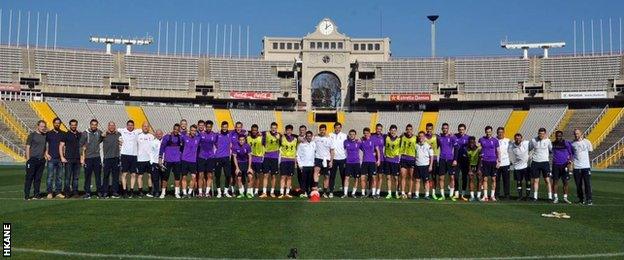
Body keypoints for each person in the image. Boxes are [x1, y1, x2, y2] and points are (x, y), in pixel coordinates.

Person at [24, 120, 48, 200]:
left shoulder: (45, 136)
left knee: (38, 178)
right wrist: (28, 159)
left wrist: (45, 155)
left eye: (44, 126)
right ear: (37, 126)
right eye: (41, 126)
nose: (43, 128)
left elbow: (44, 147)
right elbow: (27, 147)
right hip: (32, 159)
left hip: (41, 160)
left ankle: (36, 194)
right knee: (29, 177)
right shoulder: (32, 135)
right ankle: (27, 195)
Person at [79, 119, 103, 199]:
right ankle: (87, 192)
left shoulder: (99, 132)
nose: (94, 126)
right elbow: (81, 146)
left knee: (98, 176)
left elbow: (101, 139)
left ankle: (99, 192)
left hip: (97, 157)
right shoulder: (85, 133)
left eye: (95, 124)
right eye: (92, 124)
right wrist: (82, 157)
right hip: (88, 158)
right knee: (87, 176)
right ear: (90, 125)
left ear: (97, 125)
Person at [158, 124, 183, 199]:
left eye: (178, 130)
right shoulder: (167, 137)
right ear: (173, 129)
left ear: (179, 130)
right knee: (165, 177)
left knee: (177, 177)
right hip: (167, 160)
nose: (176, 131)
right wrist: (160, 158)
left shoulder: (180, 137)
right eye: (175, 129)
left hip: (177, 160)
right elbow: (162, 147)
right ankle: (163, 192)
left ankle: (176, 193)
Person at [529, 127, 553, 201]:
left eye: (542, 134)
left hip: (545, 162)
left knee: (547, 180)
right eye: (540, 133)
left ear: (545, 134)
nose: (541, 135)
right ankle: (535, 197)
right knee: (536, 180)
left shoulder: (548, 141)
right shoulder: (533, 140)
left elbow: (551, 150)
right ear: (538, 133)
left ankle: (550, 197)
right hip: (535, 162)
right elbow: (529, 148)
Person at [59, 119, 81, 198]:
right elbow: (61, 146)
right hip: (68, 159)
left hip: (77, 159)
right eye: (72, 125)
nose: (73, 126)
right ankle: (67, 192)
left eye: (75, 125)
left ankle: (75, 192)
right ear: (70, 125)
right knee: (67, 177)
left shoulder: (79, 134)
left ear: (76, 125)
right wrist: (62, 157)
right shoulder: (66, 134)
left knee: (76, 178)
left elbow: (82, 146)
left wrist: (82, 157)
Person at [118, 120, 141, 197]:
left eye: (132, 125)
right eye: (129, 125)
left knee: (133, 174)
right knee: (124, 174)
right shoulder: (122, 130)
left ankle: (131, 191)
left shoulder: (137, 131)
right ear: (126, 125)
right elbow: (112, 129)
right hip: (124, 155)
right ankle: (124, 191)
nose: (130, 126)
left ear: (133, 126)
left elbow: (146, 129)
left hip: (134, 156)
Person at [571, 129, 593, 205]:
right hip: (576, 167)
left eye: (577, 133)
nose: (576, 135)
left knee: (587, 184)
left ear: (581, 133)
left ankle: (589, 199)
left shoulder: (587, 142)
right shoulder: (573, 144)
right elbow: (572, 154)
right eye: (575, 134)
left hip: (586, 166)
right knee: (578, 184)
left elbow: (590, 150)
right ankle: (581, 199)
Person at [312, 124, 335, 198]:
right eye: (321, 130)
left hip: (326, 159)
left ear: (325, 130)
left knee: (326, 176)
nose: (322, 131)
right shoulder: (315, 138)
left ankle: (324, 192)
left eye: (323, 130)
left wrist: (331, 161)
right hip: (318, 158)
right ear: (319, 130)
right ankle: (315, 188)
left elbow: (332, 151)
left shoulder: (329, 139)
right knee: (316, 171)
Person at [478, 126, 500, 202]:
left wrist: (499, 161)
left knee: (493, 179)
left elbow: (498, 151)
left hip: (493, 161)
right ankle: (485, 196)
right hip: (485, 161)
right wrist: (480, 155)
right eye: (487, 131)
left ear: (491, 132)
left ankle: (492, 196)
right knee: (485, 179)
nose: (488, 133)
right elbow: (479, 149)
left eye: (489, 131)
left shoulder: (495, 140)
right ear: (485, 131)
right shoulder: (481, 139)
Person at [45, 117, 65, 199]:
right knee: (50, 176)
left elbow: (65, 145)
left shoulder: (63, 133)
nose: (57, 124)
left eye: (58, 123)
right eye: (56, 123)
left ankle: (58, 192)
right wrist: (46, 154)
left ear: (60, 124)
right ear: (53, 123)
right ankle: (49, 192)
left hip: (60, 158)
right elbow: (44, 144)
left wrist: (63, 156)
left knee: (59, 177)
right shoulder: (49, 133)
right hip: (51, 158)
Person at [178, 124, 200, 198]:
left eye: (194, 131)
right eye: (192, 130)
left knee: (193, 177)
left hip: (193, 161)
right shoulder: (185, 137)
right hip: (184, 160)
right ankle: (184, 193)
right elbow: (179, 134)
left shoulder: (198, 138)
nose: (193, 132)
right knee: (184, 177)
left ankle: (189, 193)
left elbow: (202, 134)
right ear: (189, 130)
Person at [551, 130, 573, 204]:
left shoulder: (566, 143)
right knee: (555, 182)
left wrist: (569, 162)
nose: (558, 137)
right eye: (557, 136)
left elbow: (570, 153)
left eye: (559, 136)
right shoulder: (553, 143)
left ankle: (565, 198)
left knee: (565, 182)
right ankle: (556, 198)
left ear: (562, 136)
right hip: (556, 165)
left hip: (564, 165)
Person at [260, 122, 281, 198]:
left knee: (273, 176)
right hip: (266, 156)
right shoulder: (266, 133)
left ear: (277, 128)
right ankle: (264, 192)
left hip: (275, 157)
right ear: (270, 128)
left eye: (275, 128)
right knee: (265, 175)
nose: (273, 129)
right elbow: (257, 133)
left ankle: (272, 192)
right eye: (272, 128)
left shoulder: (279, 135)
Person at [436, 123, 457, 201]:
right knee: (441, 178)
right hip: (442, 159)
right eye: (443, 128)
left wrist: (455, 159)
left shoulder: (452, 137)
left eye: (446, 128)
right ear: (442, 129)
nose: (445, 129)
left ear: (448, 129)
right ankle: (442, 195)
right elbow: (436, 146)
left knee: (452, 177)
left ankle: (451, 195)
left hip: (450, 159)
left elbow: (456, 148)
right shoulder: (439, 138)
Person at [101, 122, 122, 198]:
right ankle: (105, 191)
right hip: (107, 158)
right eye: (110, 125)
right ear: (108, 126)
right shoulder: (104, 135)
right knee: (106, 176)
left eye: (113, 125)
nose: (112, 127)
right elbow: (98, 139)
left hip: (116, 158)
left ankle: (115, 192)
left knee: (115, 176)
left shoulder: (118, 134)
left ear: (115, 126)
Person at [198, 120, 217, 197]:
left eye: (210, 127)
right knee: (201, 175)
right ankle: (200, 192)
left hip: (210, 157)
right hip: (202, 157)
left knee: (209, 175)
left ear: (212, 127)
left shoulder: (215, 135)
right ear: (205, 126)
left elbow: (218, 145)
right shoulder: (201, 135)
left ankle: (207, 192)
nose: (208, 128)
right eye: (207, 127)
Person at [360, 127, 381, 198]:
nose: (366, 134)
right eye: (365, 133)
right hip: (364, 162)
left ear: (369, 133)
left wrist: (378, 160)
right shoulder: (362, 141)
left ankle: (373, 194)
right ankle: (363, 194)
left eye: (367, 133)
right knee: (362, 177)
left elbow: (378, 150)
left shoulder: (373, 140)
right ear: (363, 134)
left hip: (372, 162)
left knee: (373, 178)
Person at [214, 121, 233, 198]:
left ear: (227, 127)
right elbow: (214, 143)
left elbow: (243, 131)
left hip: (226, 157)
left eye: (226, 127)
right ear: (221, 127)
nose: (224, 128)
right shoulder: (217, 134)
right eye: (223, 126)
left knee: (228, 175)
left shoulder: (230, 134)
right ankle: (219, 192)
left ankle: (225, 192)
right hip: (218, 157)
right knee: (218, 175)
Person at [509, 133, 531, 200]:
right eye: (516, 138)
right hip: (517, 167)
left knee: (528, 181)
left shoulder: (526, 143)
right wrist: (513, 162)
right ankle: (520, 196)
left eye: (519, 138)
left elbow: (534, 145)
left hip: (526, 166)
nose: (517, 139)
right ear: (514, 139)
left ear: (521, 138)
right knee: (519, 182)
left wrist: (531, 156)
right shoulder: (512, 146)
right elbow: (509, 154)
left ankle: (527, 196)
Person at [328, 122, 347, 198]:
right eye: (336, 127)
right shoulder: (330, 135)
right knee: (332, 176)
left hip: (343, 158)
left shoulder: (345, 135)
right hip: (333, 159)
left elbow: (353, 139)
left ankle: (344, 191)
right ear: (334, 128)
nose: (337, 129)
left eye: (339, 127)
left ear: (341, 128)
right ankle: (331, 191)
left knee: (343, 176)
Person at [136, 122, 155, 197]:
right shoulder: (138, 136)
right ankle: (140, 191)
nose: (146, 127)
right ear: (142, 127)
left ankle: (150, 191)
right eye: (144, 126)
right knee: (140, 176)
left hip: (150, 159)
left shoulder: (152, 136)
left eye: (147, 126)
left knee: (150, 175)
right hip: (140, 159)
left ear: (149, 128)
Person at [279, 125, 297, 199]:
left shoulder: (295, 139)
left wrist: (295, 161)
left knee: (289, 177)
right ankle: (281, 193)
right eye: (287, 130)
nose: (289, 131)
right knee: (283, 177)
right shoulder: (282, 138)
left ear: (292, 131)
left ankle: (287, 193)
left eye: (290, 130)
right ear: (285, 131)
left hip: (291, 160)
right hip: (284, 159)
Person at [232, 134, 253, 199]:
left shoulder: (248, 146)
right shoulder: (235, 147)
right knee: (239, 178)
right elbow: (234, 158)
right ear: (238, 140)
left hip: (246, 163)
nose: (241, 141)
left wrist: (249, 167)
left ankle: (249, 192)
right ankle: (241, 193)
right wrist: (237, 168)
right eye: (240, 140)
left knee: (250, 176)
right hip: (239, 164)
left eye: (243, 140)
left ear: (245, 140)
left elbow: (250, 156)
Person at [454, 124, 471, 201]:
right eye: (460, 129)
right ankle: (456, 193)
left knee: (464, 177)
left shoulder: (468, 138)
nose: (461, 131)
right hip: (456, 160)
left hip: (465, 160)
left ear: (465, 130)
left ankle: (463, 193)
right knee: (456, 177)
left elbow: (472, 147)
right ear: (458, 130)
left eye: (462, 129)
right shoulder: (454, 136)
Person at [414, 131, 433, 200]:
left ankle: (427, 195)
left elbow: (431, 156)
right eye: (419, 136)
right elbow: (415, 155)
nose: (421, 137)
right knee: (417, 180)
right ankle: (416, 194)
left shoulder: (428, 146)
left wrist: (430, 166)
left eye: (422, 136)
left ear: (424, 137)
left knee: (426, 181)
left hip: (425, 166)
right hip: (417, 165)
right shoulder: (416, 145)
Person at [383, 125, 401, 199]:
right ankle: (389, 193)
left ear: (396, 131)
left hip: (395, 161)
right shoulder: (386, 137)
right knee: (388, 177)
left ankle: (396, 193)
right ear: (389, 130)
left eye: (394, 130)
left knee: (396, 178)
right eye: (392, 130)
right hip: (387, 160)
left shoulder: (399, 139)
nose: (393, 132)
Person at [228, 121, 247, 195]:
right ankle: (233, 191)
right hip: (234, 157)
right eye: (237, 127)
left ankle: (241, 191)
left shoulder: (244, 134)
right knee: (233, 174)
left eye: (240, 127)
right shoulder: (232, 133)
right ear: (235, 127)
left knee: (242, 175)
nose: (238, 128)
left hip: (243, 158)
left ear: (241, 127)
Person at [399, 124, 416, 199]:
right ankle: (402, 192)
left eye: (410, 129)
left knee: (411, 177)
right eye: (407, 129)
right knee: (403, 176)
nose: (409, 131)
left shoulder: (416, 138)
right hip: (403, 159)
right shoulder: (402, 137)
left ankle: (409, 192)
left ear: (412, 130)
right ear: (406, 130)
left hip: (412, 159)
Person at [296, 131, 316, 197]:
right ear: (306, 136)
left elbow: (316, 153)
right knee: (303, 180)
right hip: (304, 165)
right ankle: (303, 192)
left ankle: (309, 192)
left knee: (310, 180)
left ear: (312, 136)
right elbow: (297, 155)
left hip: (312, 165)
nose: (309, 137)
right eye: (307, 136)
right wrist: (300, 165)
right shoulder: (301, 145)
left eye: (310, 136)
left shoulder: (314, 144)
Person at [342, 129, 361, 198]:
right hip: (348, 162)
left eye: (353, 134)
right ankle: (345, 193)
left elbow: (365, 148)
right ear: (349, 135)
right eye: (350, 134)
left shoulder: (358, 142)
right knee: (346, 177)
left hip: (356, 163)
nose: (352, 136)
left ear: (355, 135)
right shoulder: (345, 142)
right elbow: (342, 150)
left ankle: (353, 193)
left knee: (356, 178)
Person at [247, 124, 264, 197]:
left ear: (257, 131)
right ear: (251, 130)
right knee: (250, 176)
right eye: (253, 130)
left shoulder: (261, 138)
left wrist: (262, 134)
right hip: (250, 159)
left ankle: (256, 191)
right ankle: (250, 191)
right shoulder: (247, 138)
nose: (254, 131)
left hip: (258, 159)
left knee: (257, 176)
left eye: (255, 130)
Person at [424, 123, 440, 200]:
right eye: (428, 129)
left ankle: (433, 193)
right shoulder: (423, 137)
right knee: (426, 177)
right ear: (426, 129)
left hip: (434, 159)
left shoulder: (436, 137)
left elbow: (440, 144)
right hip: (425, 160)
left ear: (432, 129)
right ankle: (426, 193)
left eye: (430, 129)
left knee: (434, 177)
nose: (429, 130)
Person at [495, 127, 511, 200]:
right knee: (496, 180)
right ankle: (496, 195)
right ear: (497, 133)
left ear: (504, 132)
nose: (500, 133)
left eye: (501, 132)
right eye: (499, 132)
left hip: (506, 163)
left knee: (506, 180)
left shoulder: (508, 141)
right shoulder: (494, 140)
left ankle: (507, 195)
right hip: (496, 163)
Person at [371, 124, 385, 197]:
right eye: (377, 129)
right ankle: (373, 192)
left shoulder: (384, 137)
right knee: (373, 176)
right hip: (373, 159)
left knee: (380, 176)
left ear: (381, 129)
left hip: (382, 159)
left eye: (380, 129)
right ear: (375, 129)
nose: (378, 130)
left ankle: (378, 192)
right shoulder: (372, 137)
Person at [466, 136, 481, 201]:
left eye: (472, 142)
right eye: (470, 142)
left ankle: (478, 196)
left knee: (479, 180)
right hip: (471, 166)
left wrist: (478, 169)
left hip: (478, 166)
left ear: (475, 142)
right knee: (471, 180)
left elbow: (480, 160)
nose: (471, 144)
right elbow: (468, 161)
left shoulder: (479, 149)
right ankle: (472, 196)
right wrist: (469, 170)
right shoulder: (467, 149)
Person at [150, 130, 163, 198]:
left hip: (163, 163)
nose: (158, 135)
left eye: (160, 134)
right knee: (155, 178)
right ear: (155, 135)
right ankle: (157, 191)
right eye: (157, 134)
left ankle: (163, 191)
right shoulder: (153, 142)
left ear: (162, 134)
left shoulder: (164, 141)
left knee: (163, 178)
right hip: (155, 163)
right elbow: (151, 152)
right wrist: (152, 162)